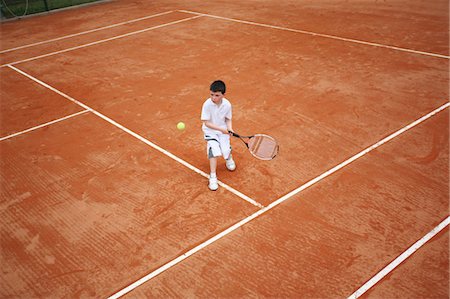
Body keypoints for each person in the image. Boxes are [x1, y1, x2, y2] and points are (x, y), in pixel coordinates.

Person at [201, 80, 236, 191]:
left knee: (225, 150)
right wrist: (222, 129)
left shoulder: (227, 105)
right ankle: (213, 176)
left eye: (217, 95)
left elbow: (228, 119)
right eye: (211, 94)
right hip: (210, 131)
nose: (213, 97)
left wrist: (229, 128)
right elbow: (206, 123)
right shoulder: (207, 105)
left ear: (223, 95)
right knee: (214, 150)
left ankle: (228, 158)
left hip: (223, 130)